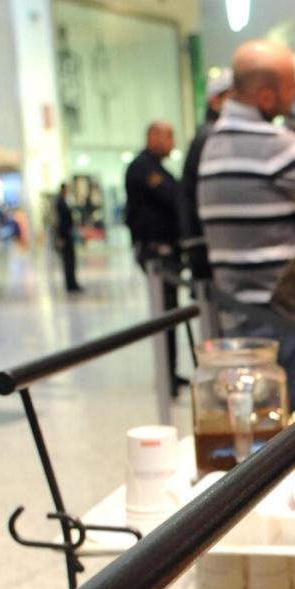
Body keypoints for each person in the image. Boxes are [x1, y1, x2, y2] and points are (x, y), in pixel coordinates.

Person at [197, 40, 295, 409]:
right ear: (266, 97)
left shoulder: (212, 142)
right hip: (282, 316)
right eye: (292, 85)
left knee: (257, 427)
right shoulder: (278, 144)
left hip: (236, 313)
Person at [125, 121, 186, 392]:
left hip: (168, 253)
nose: (172, 142)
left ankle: (170, 373)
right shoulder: (143, 167)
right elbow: (173, 197)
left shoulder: (158, 167)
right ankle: (166, 376)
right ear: (152, 137)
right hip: (155, 254)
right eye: (168, 136)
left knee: (170, 315)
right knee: (164, 317)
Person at [179, 65, 233, 244]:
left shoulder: (211, 133)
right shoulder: (211, 136)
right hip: (207, 240)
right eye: (232, 97)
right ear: (215, 101)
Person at [53, 181, 81, 293]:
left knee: (71, 261)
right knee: (68, 261)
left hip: (67, 234)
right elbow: (61, 221)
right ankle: (70, 284)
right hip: (65, 236)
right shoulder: (60, 203)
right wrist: (61, 237)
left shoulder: (63, 201)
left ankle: (72, 283)